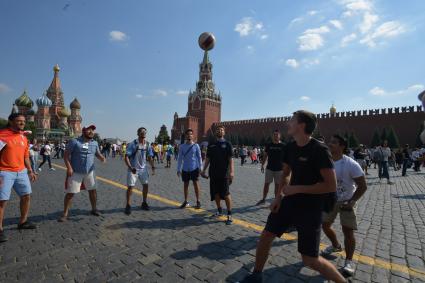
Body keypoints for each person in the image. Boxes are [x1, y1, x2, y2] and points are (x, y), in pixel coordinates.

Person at [243, 110, 346, 283]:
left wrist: (297, 188)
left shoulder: (319, 150)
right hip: (290, 201)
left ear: (302, 125)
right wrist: (277, 198)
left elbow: (330, 185)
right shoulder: (290, 147)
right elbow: (285, 173)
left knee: (310, 259)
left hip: (311, 207)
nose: (288, 123)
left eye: (292, 120)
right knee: (267, 235)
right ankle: (256, 275)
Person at [321, 135, 367, 276]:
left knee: (348, 232)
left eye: (334, 142)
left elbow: (363, 186)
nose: (330, 144)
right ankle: (336, 246)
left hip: (347, 200)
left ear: (342, 146)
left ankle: (348, 262)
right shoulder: (326, 161)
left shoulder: (350, 164)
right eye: (330, 141)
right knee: (324, 225)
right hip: (331, 200)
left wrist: (352, 201)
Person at [0, 113, 38, 242]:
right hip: (4, 172)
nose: (22, 123)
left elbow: (26, 156)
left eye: (23, 121)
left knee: (26, 196)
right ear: (11, 122)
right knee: (2, 201)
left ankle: (23, 221)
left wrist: (30, 170)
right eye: (18, 121)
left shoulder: (23, 137)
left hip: (21, 172)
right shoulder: (2, 135)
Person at [59, 125, 106, 222]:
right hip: (76, 171)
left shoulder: (95, 143)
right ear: (84, 131)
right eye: (89, 130)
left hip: (90, 172)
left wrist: (102, 158)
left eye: (93, 130)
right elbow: (66, 156)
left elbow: (97, 153)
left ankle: (94, 209)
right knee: (70, 193)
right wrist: (69, 168)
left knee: (93, 190)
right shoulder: (74, 141)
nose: (91, 132)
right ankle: (65, 213)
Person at [201, 125, 234, 225]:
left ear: (224, 132)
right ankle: (219, 210)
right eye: (218, 130)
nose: (220, 131)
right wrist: (203, 170)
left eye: (222, 130)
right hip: (213, 173)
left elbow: (230, 159)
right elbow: (208, 159)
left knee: (226, 193)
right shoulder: (211, 145)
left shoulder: (228, 144)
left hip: (224, 173)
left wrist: (232, 172)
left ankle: (229, 214)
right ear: (216, 132)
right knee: (215, 193)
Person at [124, 127, 155, 215]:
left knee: (146, 185)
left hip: (143, 169)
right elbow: (126, 157)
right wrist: (130, 167)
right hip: (133, 169)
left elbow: (149, 157)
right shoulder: (133, 144)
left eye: (145, 132)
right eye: (141, 132)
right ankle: (128, 205)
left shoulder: (148, 144)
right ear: (138, 134)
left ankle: (144, 202)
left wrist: (152, 167)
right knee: (130, 187)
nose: (143, 133)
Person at [257, 130, 285, 206]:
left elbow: (286, 158)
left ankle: (276, 200)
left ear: (280, 136)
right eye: (274, 135)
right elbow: (265, 155)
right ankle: (263, 199)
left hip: (279, 169)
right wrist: (262, 165)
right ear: (272, 136)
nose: (276, 136)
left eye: (277, 135)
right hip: (269, 168)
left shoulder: (283, 145)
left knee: (277, 186)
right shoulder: (269, 145)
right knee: (266, 184)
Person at [177, 129, 202, 209]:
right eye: (188, 134)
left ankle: (198, 201)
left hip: (194, 168)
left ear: (193, 136)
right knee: (185, 185)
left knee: (196, 185)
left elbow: (199, 157)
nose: (189, 135)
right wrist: (178, 169)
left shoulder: (196, 146)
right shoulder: (182, 146)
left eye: (191, 134)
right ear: (185, 136)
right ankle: (186, 201)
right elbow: (180, 158)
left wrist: (200, 167)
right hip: (185, 169)